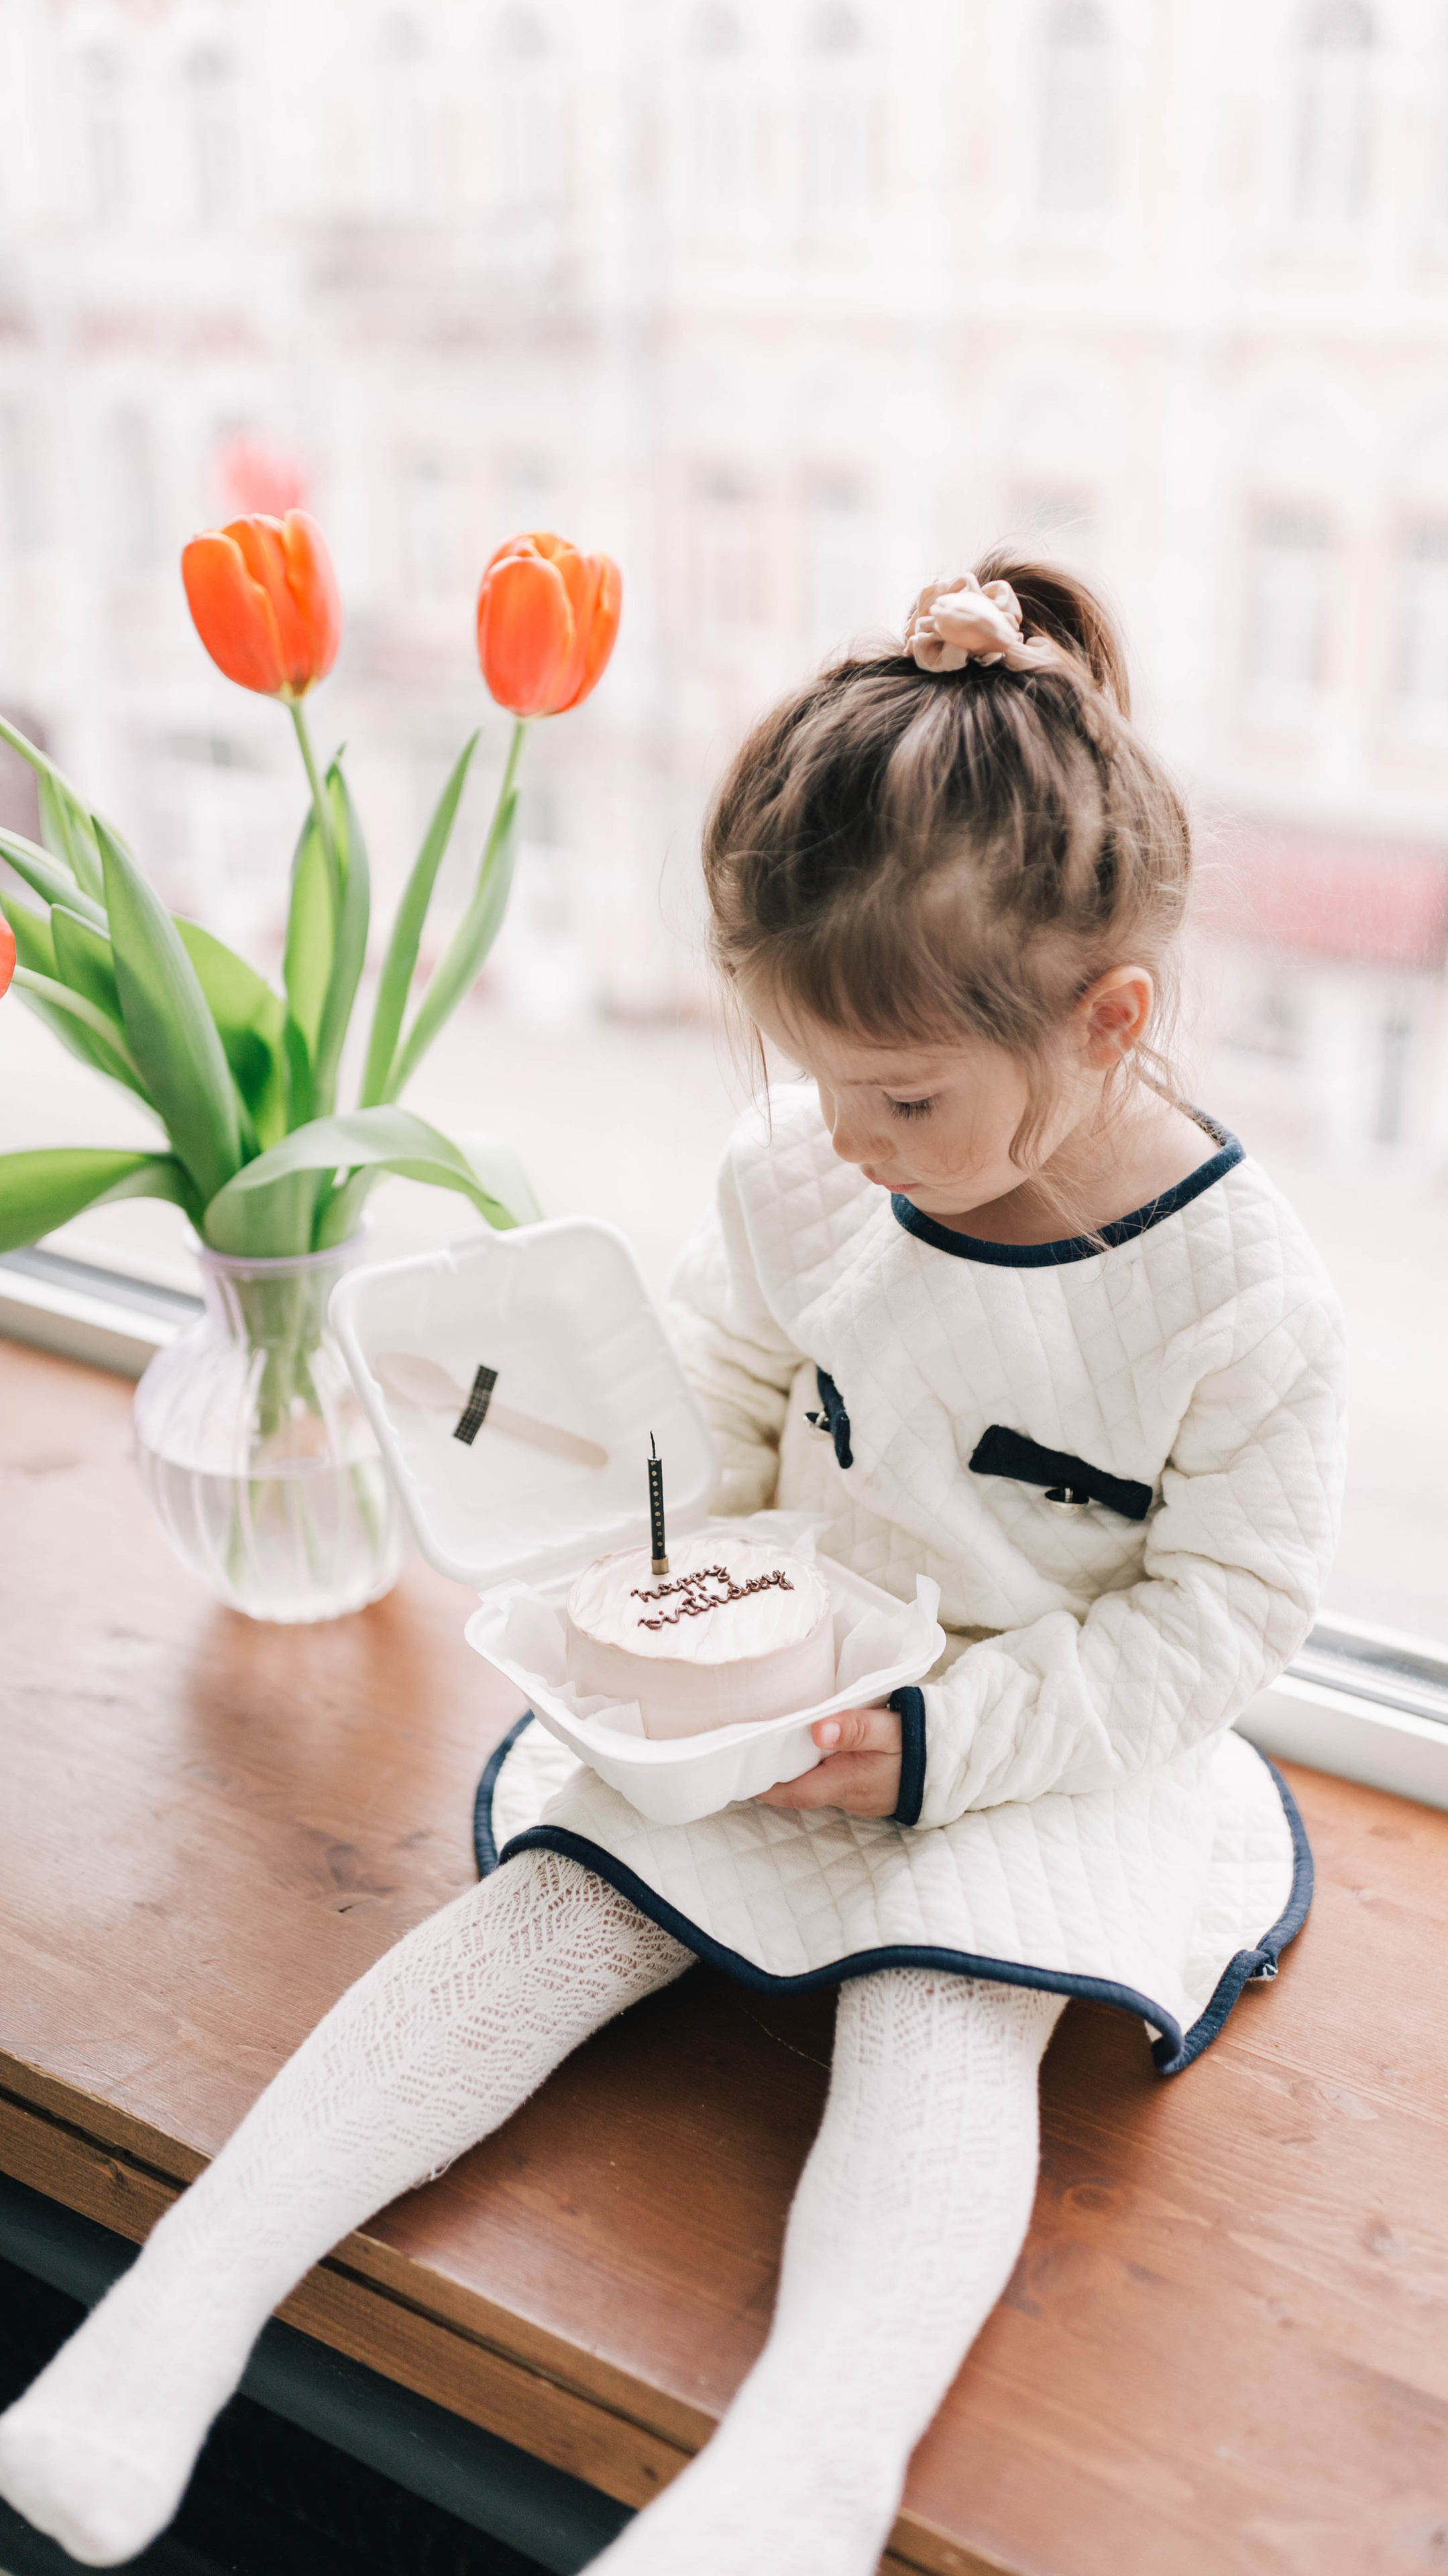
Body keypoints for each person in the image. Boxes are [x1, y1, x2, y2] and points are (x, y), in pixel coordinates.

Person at [0, 554, 1346, 2574]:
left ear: (1112, 1020)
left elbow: (1221, 1616)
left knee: (941, 2018)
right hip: (793, 1658)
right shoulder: (818, 1162)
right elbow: (727, 1378)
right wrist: (668, 1569)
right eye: (811, 1084)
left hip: (1043, 1744)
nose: (848, 1140)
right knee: (556, 1906)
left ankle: (799, 2486)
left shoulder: (1241, 1299)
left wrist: (934, 1746)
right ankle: (185, 2296)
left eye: (900, 1096)